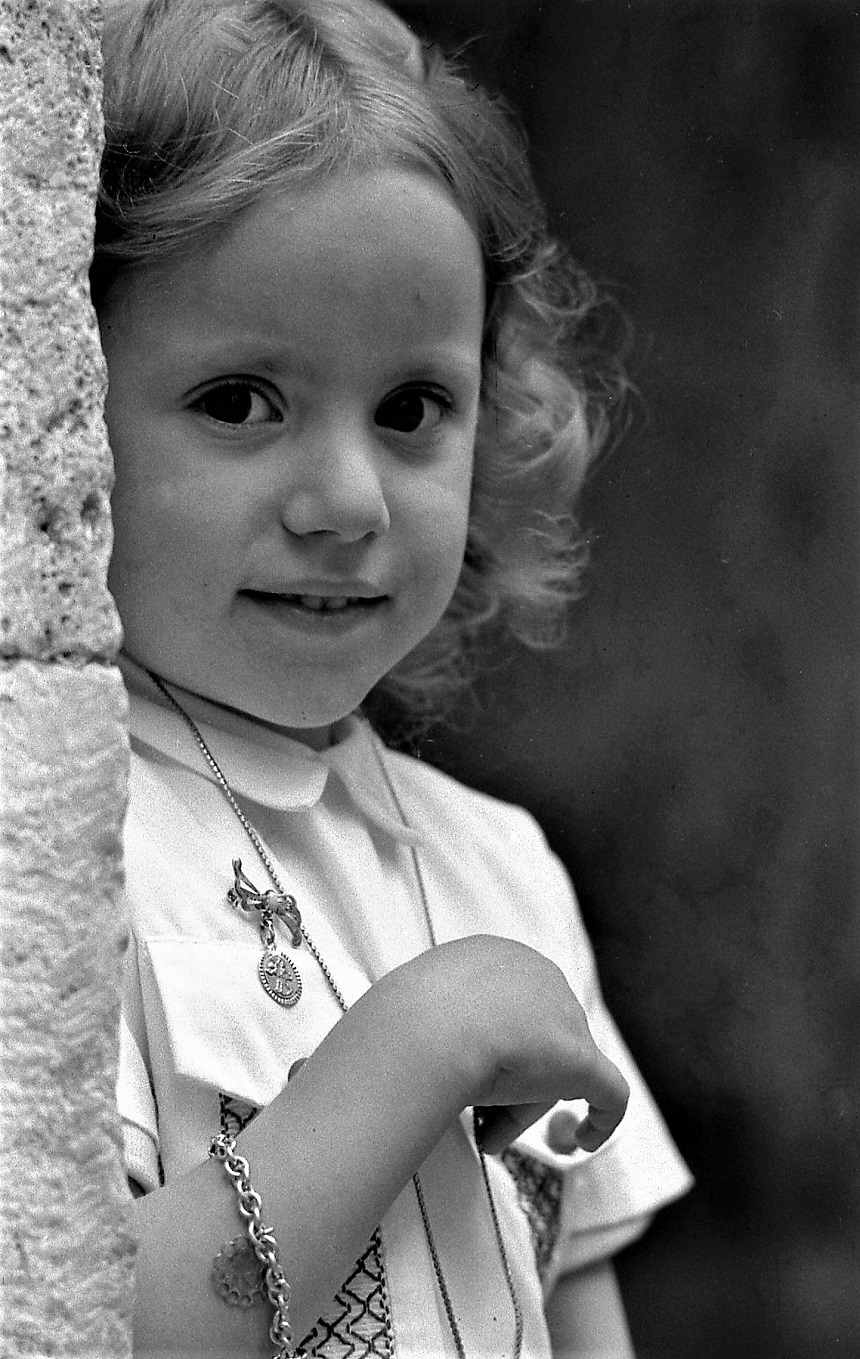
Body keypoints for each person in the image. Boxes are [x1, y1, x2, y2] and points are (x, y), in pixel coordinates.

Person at [94, 1, 693, 1354]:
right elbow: (80, 1327)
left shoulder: (506, 867)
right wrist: (421, 1044)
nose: (348, 500)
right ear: (65, 408)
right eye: (239, 401)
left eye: (412, 409)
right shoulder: (58, 845)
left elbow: (581, 1323)